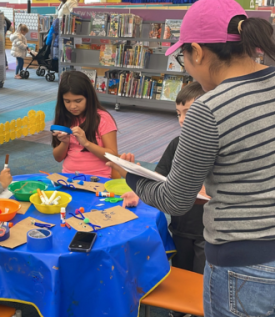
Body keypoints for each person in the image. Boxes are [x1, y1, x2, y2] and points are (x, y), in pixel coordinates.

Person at [108, 0, 275, 316]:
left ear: (197, 51)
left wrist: (130, 174)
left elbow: (175, 201)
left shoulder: (208, 109)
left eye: (183, 56)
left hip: (241, 261)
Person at [123, 82, 206, 317]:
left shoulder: (215, 148)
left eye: (188, 113)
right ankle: (177, 313)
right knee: (179, 276)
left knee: (202, 282)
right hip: (180, 226)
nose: (181, 120)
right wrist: (139, 188)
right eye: (178, 113)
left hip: (207, 232)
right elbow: (159, 177)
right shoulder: (176, 144)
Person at [52, 71, 117, 178]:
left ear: (88, 97)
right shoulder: (64, 117)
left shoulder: (102, 118)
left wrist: (86, 143)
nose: (72, 106)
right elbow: (58, 158)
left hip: (97, 178)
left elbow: (113, 156)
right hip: (69, 177)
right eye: (67, 101)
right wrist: (65, 142)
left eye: (78, 101)